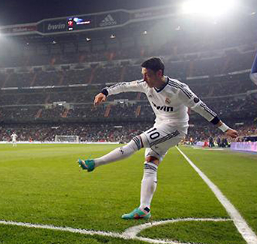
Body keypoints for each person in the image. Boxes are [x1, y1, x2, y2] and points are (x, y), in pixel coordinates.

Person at [77, 57, 238, 220]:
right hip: (159, 125)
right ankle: (144, 209)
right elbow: (124, 86)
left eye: (147, 75)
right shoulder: (145, 85)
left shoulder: (179, 89)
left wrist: (224, 128)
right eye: (143, 75)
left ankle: (94, 163)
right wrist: (105, 92)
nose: (144, 79)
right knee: (150, 163)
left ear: (159, 73)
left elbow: (201, 107)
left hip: (176, 128)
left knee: (136, 142)